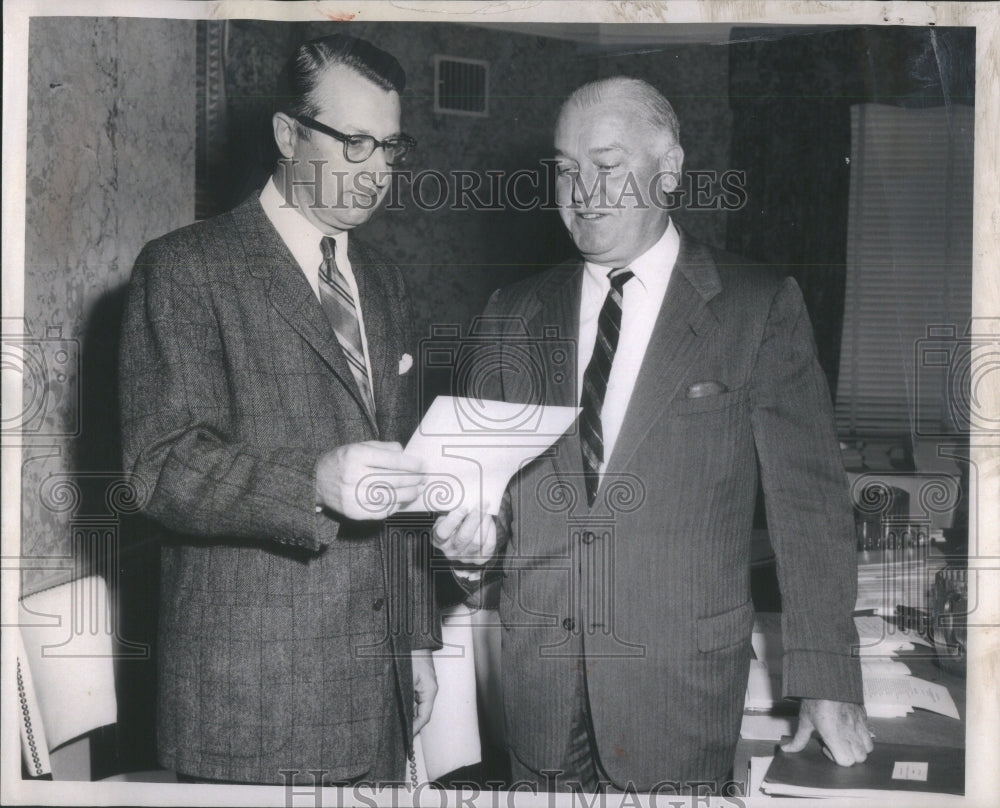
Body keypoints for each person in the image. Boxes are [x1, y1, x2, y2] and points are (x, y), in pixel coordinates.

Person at [433, 76, 872, 793]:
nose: (581, 192)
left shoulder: (757, 309)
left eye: (606, 166)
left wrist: (828, 679)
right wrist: (476, 547)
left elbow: (812, 509)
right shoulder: (511, 313)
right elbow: (488, 502)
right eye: (565, 171)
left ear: (668, 170)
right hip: (540, 698)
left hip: (677, 698)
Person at [119, 34, 439, 785]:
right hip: (251, 704)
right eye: (353, 142)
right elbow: (159, 466)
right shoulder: (186, 268)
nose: (376, 172)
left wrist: (417, 642)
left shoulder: (388, 282)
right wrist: (313, 485)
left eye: (390, 148)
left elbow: (401, 473)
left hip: (376, 691)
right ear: (287, 134)